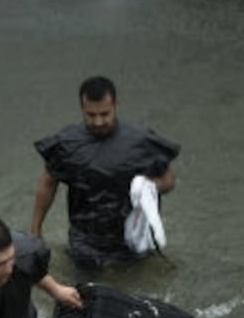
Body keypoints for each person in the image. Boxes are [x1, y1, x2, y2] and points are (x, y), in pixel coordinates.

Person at [31, 76, 181, 270]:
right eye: (91, 115)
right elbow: (48, 183)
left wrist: (148, 187)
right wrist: (35, 230)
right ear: (81, 108)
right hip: (85, 239)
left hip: (130, 238)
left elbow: (168, 180)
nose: (99, 121)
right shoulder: (67, 144)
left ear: (116, 105)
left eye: (105, 114)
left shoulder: (140, 141)